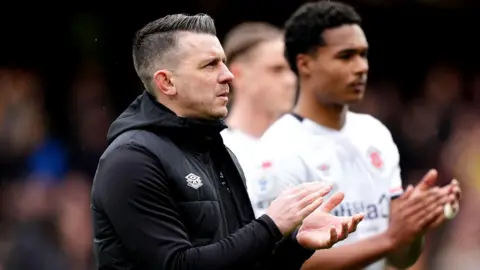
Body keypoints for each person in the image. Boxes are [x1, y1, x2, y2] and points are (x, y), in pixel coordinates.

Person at [90, 13, 364, 270]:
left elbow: (241, 263)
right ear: (166, 83)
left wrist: (296, 244)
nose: (228, 75)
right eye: (210, 65)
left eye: (223, 61)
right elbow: (176, 265)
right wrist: (271, 225)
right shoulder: (131, 160)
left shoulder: (217, 151)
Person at [248, 1, 462, 270]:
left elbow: (399, 258)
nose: (361, 67)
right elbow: (281, 263)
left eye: (364, 54)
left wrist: (413, 227)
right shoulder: (279, 147)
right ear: (305, 64)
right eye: (346, 56)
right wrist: (389, 238)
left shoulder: (375, 133)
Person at [220, 22, 297, 211]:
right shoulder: (215, 150)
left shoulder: (304, 142)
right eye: (276, 69)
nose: (291, 80)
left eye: (292, 69)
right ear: (238, 75)